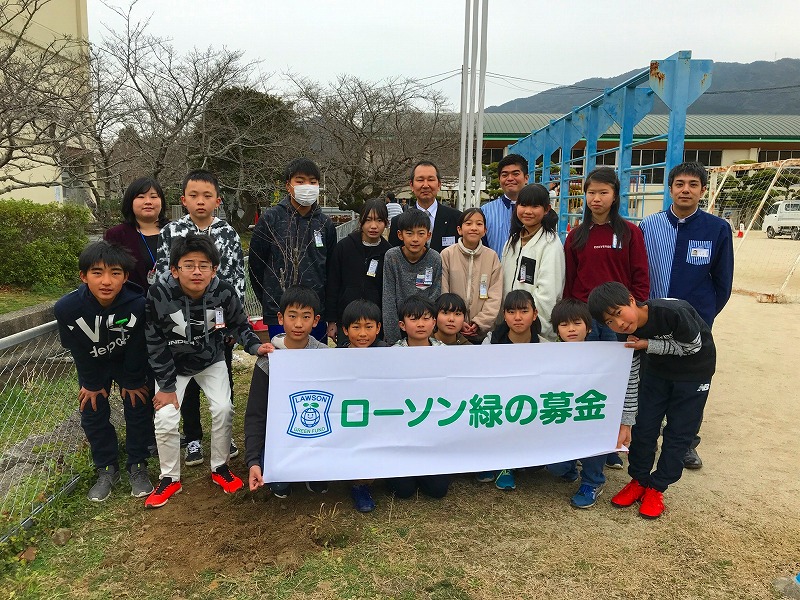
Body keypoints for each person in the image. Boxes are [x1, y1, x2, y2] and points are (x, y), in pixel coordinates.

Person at [144, 234, 272, 508]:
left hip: (211, 360)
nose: (197, 271)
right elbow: (154, 341)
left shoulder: (223, 291)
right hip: (173, 365)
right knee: (165, 417)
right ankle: (169, 478)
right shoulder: (158, 293)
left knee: (223, 409)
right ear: (175, 269)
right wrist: (166, 387)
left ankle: (220, 467)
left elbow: (240, 324)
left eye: (204, 265)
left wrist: (254, 347)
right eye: (188, 265)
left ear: (214, 269)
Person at [588, 282, 716, 519]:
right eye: (609, 322)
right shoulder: (624, 332)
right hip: (657, 372)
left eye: (618, 313)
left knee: (679, 432)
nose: (619, 323)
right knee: (644, 425)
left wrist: (648, 344)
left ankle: (657, 488)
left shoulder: (673, 312)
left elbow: (693, 346)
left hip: (694, 373)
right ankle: (639, 480)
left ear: (631, 299)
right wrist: (626, 421)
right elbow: (631, 371)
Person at [639, 161, 734, 470]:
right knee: (651, 381)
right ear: (670, 189)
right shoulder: (648, 225)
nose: (685, 190)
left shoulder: (717, 229)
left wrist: (703, 318)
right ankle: (645, 438)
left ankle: (686, 442)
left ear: (703, 190)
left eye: (693, 184)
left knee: (690, 386)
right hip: (653, 319)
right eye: (679, 184)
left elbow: (723, 282)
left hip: (695, 324)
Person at [154, 169, 244, 468]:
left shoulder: (227, 233)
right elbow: (164, 273)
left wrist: (231, 320)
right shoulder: (171, 231)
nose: (200, 201)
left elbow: (235, 276)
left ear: (217, 200)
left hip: (217, 311)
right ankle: (192, 436)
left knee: (219, 367)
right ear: (183, 200)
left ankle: (224, 435)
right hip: (179, 316)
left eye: (207, 196)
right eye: (194, 196)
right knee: (186, 379)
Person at [54, 241, 154, 502]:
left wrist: (132, 379)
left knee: (138, 403)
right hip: (93, 361)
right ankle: (107, 468)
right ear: (83, 276)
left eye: (115, 273)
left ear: (126, 277)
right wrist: (90, 382)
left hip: (126, 360)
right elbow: (75, 347)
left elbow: (137, 344)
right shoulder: (67, 309)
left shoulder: (137, 304)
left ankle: (137, 464)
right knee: (92, 410)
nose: (106, 281)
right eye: (97, 273)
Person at [563, 166, 649, 469]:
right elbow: (570, 282)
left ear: (614, 196)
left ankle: (612, 443)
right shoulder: (575, 236)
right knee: (587, 381)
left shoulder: (629, 233)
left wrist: (635, 317)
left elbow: (640, 278)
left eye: (603, 192)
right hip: (586, 319)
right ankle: (582, 439)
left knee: (616, 381)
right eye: (591, 192)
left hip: (617, 321)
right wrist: (570, 317)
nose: (596, 198)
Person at [545, 298, 639, 509]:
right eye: (564, 324)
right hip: (561, 416)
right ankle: (569, 467)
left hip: (592, 416)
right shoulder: (547, 356)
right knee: (555, 468)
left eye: (577, 323)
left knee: (594, 444)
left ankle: (592, 481)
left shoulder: (604, 355)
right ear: (556, 330)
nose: (571, 329)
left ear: (588, 328)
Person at [244, 286, 330, 499]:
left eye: (306, 317)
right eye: (292, 316)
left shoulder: (327, 358)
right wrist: (253, 461)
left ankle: (314, 472)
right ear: (281, 318)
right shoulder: (269, 360)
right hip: (281, 438)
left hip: (316, 434)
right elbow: (256, 413)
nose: (299, 324)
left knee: (322, 478)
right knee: (279, 482)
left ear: (316, 320)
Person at [249, 157, 337, 343]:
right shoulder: (270, 220)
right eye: (300, 181)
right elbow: (256, 266)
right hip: (279, 313)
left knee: (315, 367)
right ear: (288, 185)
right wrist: (271, 300)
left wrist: (328, 312)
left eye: (312, 182)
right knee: (284, 367)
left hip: (315, 314)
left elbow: (331, 270)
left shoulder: (324, 224)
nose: (307, 186)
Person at [477, 289, 543, 490]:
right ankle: (491, 461)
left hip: (528, 405)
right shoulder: (492, 341)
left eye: (523, 311)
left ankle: (509, 465)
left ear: (535, 314)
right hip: (497, 401)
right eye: (511, 312)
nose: (517, 317)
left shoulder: (544, 346)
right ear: (504, 315)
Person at [387, 295, 449, 499]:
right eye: (413, 319)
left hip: (433, 431)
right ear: (402, 325)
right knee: (403, 491)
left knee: (438, 490)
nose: (420, 324)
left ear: (434, 322)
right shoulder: (392, 354)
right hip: (402, 431)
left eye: (425, 318)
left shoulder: (446, 353)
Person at [339, 299, 389, 512]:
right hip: (351, 416)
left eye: (369, 327)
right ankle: (359, 485)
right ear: (345, 330)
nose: (362, 334)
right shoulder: (336, 357)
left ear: (378, 328)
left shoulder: (389, 354)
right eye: (356, 327)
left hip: (381, 415)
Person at [500, 183, 565, 342]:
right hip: (510, 328)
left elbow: (548, 294)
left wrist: (533, 327)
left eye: (535, 206)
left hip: (535, 333)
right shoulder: (512, 241)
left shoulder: (550, 243)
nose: (528, 211)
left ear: (547, 209)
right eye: (523, 205)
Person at [326, 198, 391, 346]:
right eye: (368, 220)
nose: (373, 226)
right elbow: (333, 284)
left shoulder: (388, 252)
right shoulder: (344, 247)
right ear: (360, 221)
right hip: (347, 320)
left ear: (386, 223)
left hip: (374, 323)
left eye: (379, 220)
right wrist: (332, 321)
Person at [440, 207, 502, 343]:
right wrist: (456, 320)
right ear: (459, 229)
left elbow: (495, 295)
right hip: (451, 330)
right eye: (468, 223)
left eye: (479, 224)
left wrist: (480, 322)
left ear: (485, 230)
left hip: (482, 333)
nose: (474, 228)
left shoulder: (492, 257)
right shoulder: (447, 255)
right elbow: (443, 291)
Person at [382, 208, 442, 345]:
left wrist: (427, 328)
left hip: (424, 327)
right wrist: (393, 340)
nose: (415, 239)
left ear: (428, 235)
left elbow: (435, 297)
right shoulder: (392, 257)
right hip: (399, 325)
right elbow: (389, 299)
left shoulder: (434, 258)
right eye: (409, 233)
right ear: (400, 235)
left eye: (421, 234)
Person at [104, 177, 170, 289]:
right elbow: (110, 272)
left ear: (162, 202)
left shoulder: (175, 231)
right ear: (130, 202)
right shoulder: (116, 235)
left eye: (154, 196)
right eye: (141, 197)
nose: (148, 201)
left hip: (174, 303)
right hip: (133, 301)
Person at [388, 160, 461, 253]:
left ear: (439, 184)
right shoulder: (397, 222)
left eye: (430, 180)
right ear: (411, 185)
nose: (425, 185)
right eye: (420, 180)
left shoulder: (457, 219)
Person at [481, 154, 529, 255]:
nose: (510, 178)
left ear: (526, 178)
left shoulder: (537, 212)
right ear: (499, 180)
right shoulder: (485, 212)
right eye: (504, 175)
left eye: (515, 174)